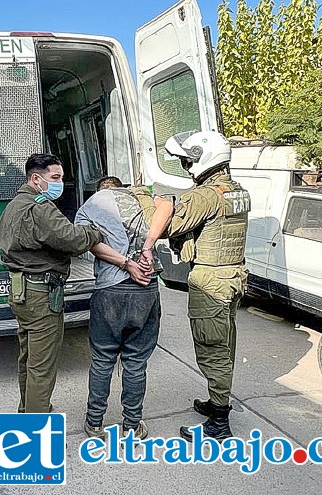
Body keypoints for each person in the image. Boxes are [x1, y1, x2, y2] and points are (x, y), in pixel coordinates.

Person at [141, 130, 250, 441]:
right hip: (233, 276)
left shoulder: (205, 196)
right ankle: (217, 402)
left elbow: (167, 225)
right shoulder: (236, 190)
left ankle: (219, 423)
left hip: (211, 280)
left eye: (189, 161)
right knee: (225, 343)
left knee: (211, 349)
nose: (187, 168)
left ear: (205, 160)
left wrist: (151, 200)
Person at [0, 153, 104, 414]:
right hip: (40, 293)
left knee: (29, 359)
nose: (60, 183)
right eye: (55, 178)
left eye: (62, 178)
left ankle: (28, 408)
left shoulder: (15, 204)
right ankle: (37, 427)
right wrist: (95, 231)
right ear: (36, 179)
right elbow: (72, 239)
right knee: (42, 367)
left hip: (21, 290)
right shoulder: (39, 207)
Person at [74, 176, 174, 440]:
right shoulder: (141, 200)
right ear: (121, 187)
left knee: (103, 360)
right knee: (136, 362)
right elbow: (167, 206)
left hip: (110, 290)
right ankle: (132, 425)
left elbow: (87, 242)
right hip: (146, 289)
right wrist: (148, 247)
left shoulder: (90, 206)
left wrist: (123, 263)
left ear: (101, 189)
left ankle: (94, 423)